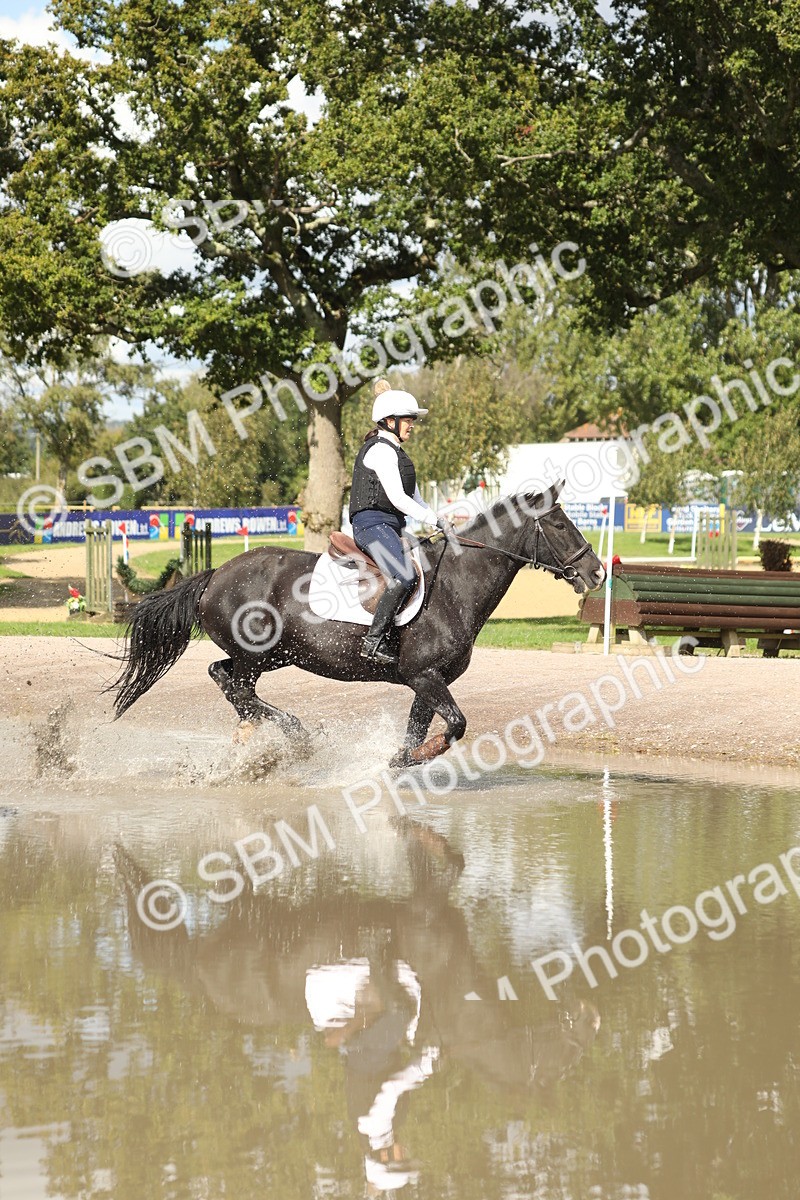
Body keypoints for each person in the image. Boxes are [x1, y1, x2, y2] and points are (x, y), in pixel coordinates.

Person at [349, 379, 453, 665]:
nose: (412, 425)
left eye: (411, 420)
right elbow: (397, 499)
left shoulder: (398, 454)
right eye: (408, 419)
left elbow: (415, 499)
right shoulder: (380, 451)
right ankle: (373, 641)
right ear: (389, 420)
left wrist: (440, 519)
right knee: (404, 576)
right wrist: (432, 519)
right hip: (370, 525)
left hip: (390, 526)